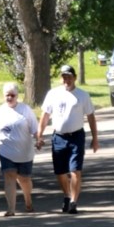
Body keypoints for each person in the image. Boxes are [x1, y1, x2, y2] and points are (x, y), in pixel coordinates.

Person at [36, 65, 99, 215]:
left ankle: (73, 202)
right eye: (64, 77)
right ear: (61, 78)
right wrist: (39, 135)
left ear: (75, 78)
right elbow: (45, 116)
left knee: (75, 170)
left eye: (69, 77)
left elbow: (91, 117)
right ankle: (66, 195)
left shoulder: (83, 95)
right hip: (58, 137)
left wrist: (95, 138)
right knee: (60, 172)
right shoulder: (53, 94)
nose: (67, 80)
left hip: (76, 136)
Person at [0, 82, 37, 216]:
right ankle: (11, 209)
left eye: (13, 95)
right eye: (7, 95)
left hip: (24, 152)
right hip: (6, 151)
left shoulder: (25, 110)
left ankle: (28, 200)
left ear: (17, 96)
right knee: (9, 176)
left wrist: (39, 139)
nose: (10, 98)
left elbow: (34, 128)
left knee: (24, 179)